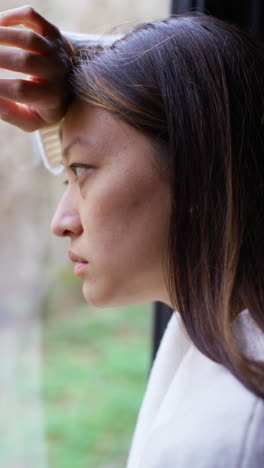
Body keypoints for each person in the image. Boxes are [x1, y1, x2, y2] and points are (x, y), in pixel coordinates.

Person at [1, 5, 264, 468]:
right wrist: (81, 68)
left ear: (196, 172)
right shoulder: (230, 334)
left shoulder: (219, 442)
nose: (61, 222)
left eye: (80, 171)